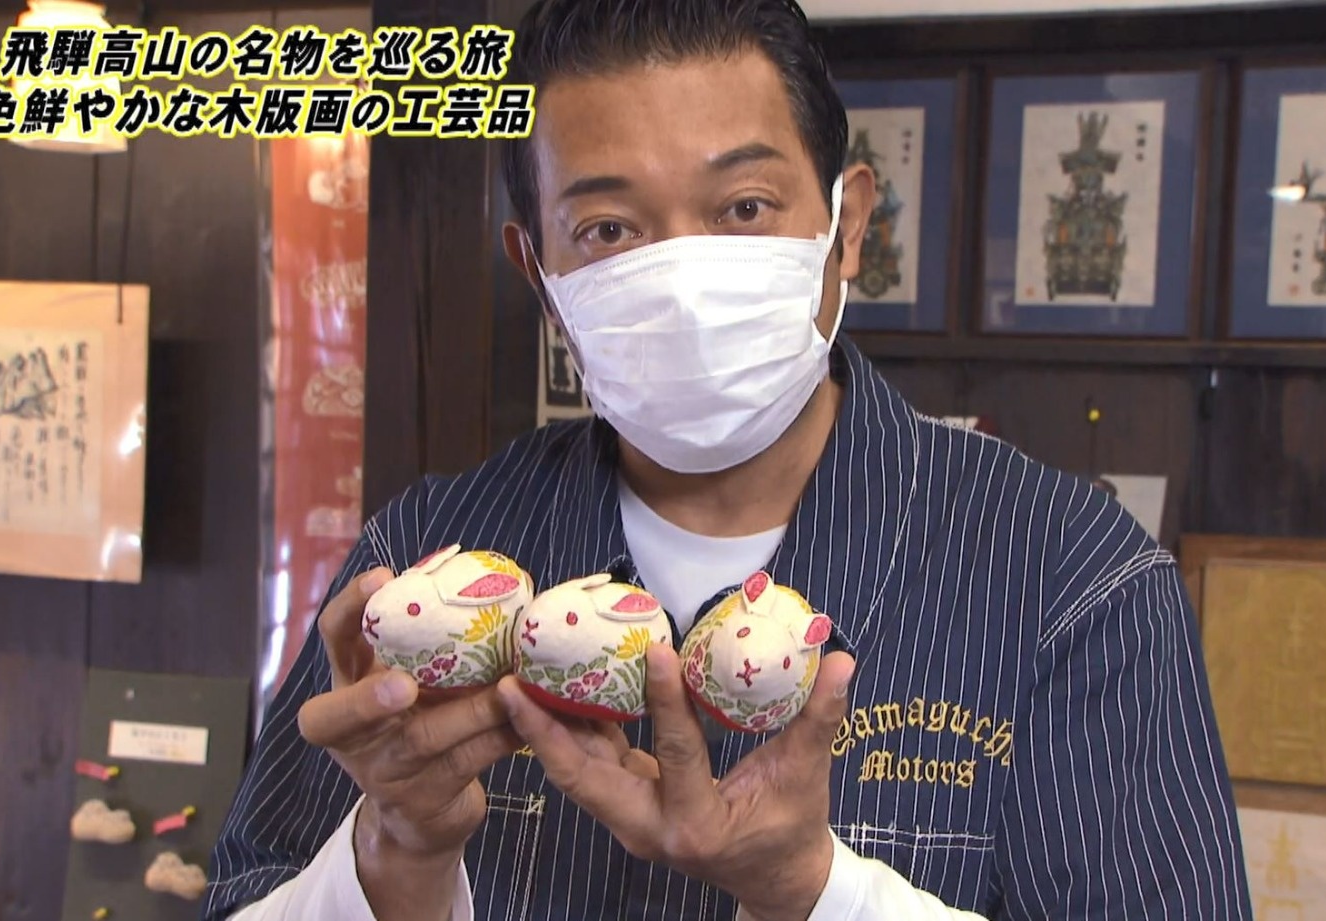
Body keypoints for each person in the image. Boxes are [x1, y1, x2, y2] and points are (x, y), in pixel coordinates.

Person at [203, 1, 1252, 918]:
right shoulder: (423, 563)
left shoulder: (1070, 582)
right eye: (608, 229)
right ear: (540, 275)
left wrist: (813, 891)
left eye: (743, 209)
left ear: (846, 229)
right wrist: (397, 854)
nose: (683, 281)